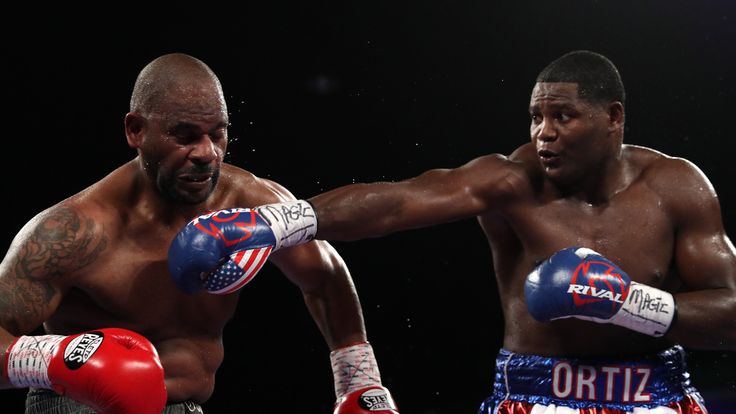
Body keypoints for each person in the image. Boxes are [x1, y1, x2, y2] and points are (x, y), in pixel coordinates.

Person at [170, 50, 736, 413]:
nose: (544, 134)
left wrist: (628, 304)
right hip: (535, 397)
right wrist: (276, 221)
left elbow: (730, 316)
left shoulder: (677, 188)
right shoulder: (511, 181)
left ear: (613, 117)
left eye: (563, 116)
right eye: (536, 117)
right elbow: (398, 202)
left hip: (656, 395)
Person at [0, 53, 399, 413]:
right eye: (186, 135)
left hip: (187, 406)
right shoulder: (70, 233)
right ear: (136, 130)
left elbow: (325, 274)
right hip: (79, 405)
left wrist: (359, 381)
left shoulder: (252, 203)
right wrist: (60, 359)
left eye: (218, 133)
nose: (207, 152)